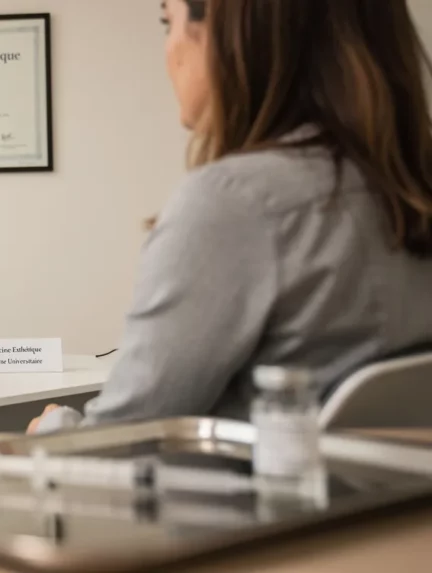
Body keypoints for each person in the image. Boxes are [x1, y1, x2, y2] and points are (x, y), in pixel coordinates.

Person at [29, 0, 432, 433]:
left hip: (238, 497)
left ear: (225, 34)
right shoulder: (411, 184)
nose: (168, 50)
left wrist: (51, 430)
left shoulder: (238, 203)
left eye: (169, 22)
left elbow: (121, 441)